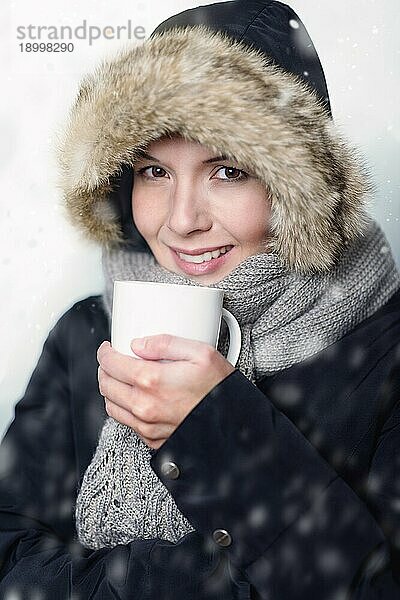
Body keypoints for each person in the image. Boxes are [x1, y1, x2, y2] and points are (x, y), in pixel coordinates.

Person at [1, 1, 399, 598]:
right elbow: (9, 556)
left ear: (301, 186)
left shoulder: (386, 353)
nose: (182, 220)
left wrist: (214, 425)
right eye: (154, 173)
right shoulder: (86, 335)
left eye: (229, 170)